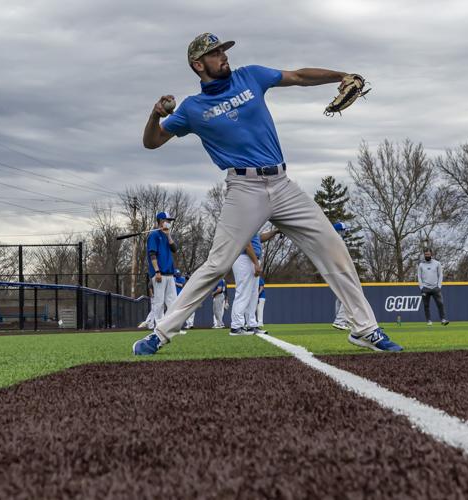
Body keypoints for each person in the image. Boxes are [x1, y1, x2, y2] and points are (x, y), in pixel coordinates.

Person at [133, 32, 402, 355]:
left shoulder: (251, 76)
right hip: (243, 189)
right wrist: (154, 115)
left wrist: (340, 76)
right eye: (215, 53)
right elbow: (152, 142)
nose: (224, 56)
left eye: (223, 50)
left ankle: (365, 328)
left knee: (333, 247)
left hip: (282, 183)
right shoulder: (193, 109)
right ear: (198, 64)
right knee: (217, 265)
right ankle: (160, 333)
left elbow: (299, 76)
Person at [231, 229, 277, 335]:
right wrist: (256, 263)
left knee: (253, 294)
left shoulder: (253, 225)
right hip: (244, 258)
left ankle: (251, 325)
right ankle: (236, 327)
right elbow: (246, 244)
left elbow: (258, 238)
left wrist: (275, 231)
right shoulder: (244, 220)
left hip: (251, 259)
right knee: (243, 293)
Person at [145, 212, 178, 327]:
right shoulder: (154, 235)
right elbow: (152, 254)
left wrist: (168, 235)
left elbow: (174, 249)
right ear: (161, 221)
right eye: (167, 220)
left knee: (173, 302)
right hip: (159, 274)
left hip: (170, 274)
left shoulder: (166, 235)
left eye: (169, 221)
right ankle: (159, 327)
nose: (169, 223)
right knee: (159, 302)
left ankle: (171, 326)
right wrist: (157, 271)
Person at [417, 248, 449, 326]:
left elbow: (440, 275)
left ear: (431, 254)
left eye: (428, 254)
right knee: (426, 305)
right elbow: (419, 277)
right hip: (425, 288)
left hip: (435, 288)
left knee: (440, 304)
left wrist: (439, 286)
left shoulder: (437, 263)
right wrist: (421, 288)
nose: (427, 255)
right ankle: (429, 321)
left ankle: (443, 319)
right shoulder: (421, 265)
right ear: (424, 255)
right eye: (425, 254)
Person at [331, 222, 351, 331]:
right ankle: (340, 321)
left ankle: (341, 321)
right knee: (348, 296)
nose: (345, 232)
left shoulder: (331, 240)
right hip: (339, 271)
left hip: (333, 272)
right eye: (344, 230)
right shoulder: (337, 241)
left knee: (340, 297)